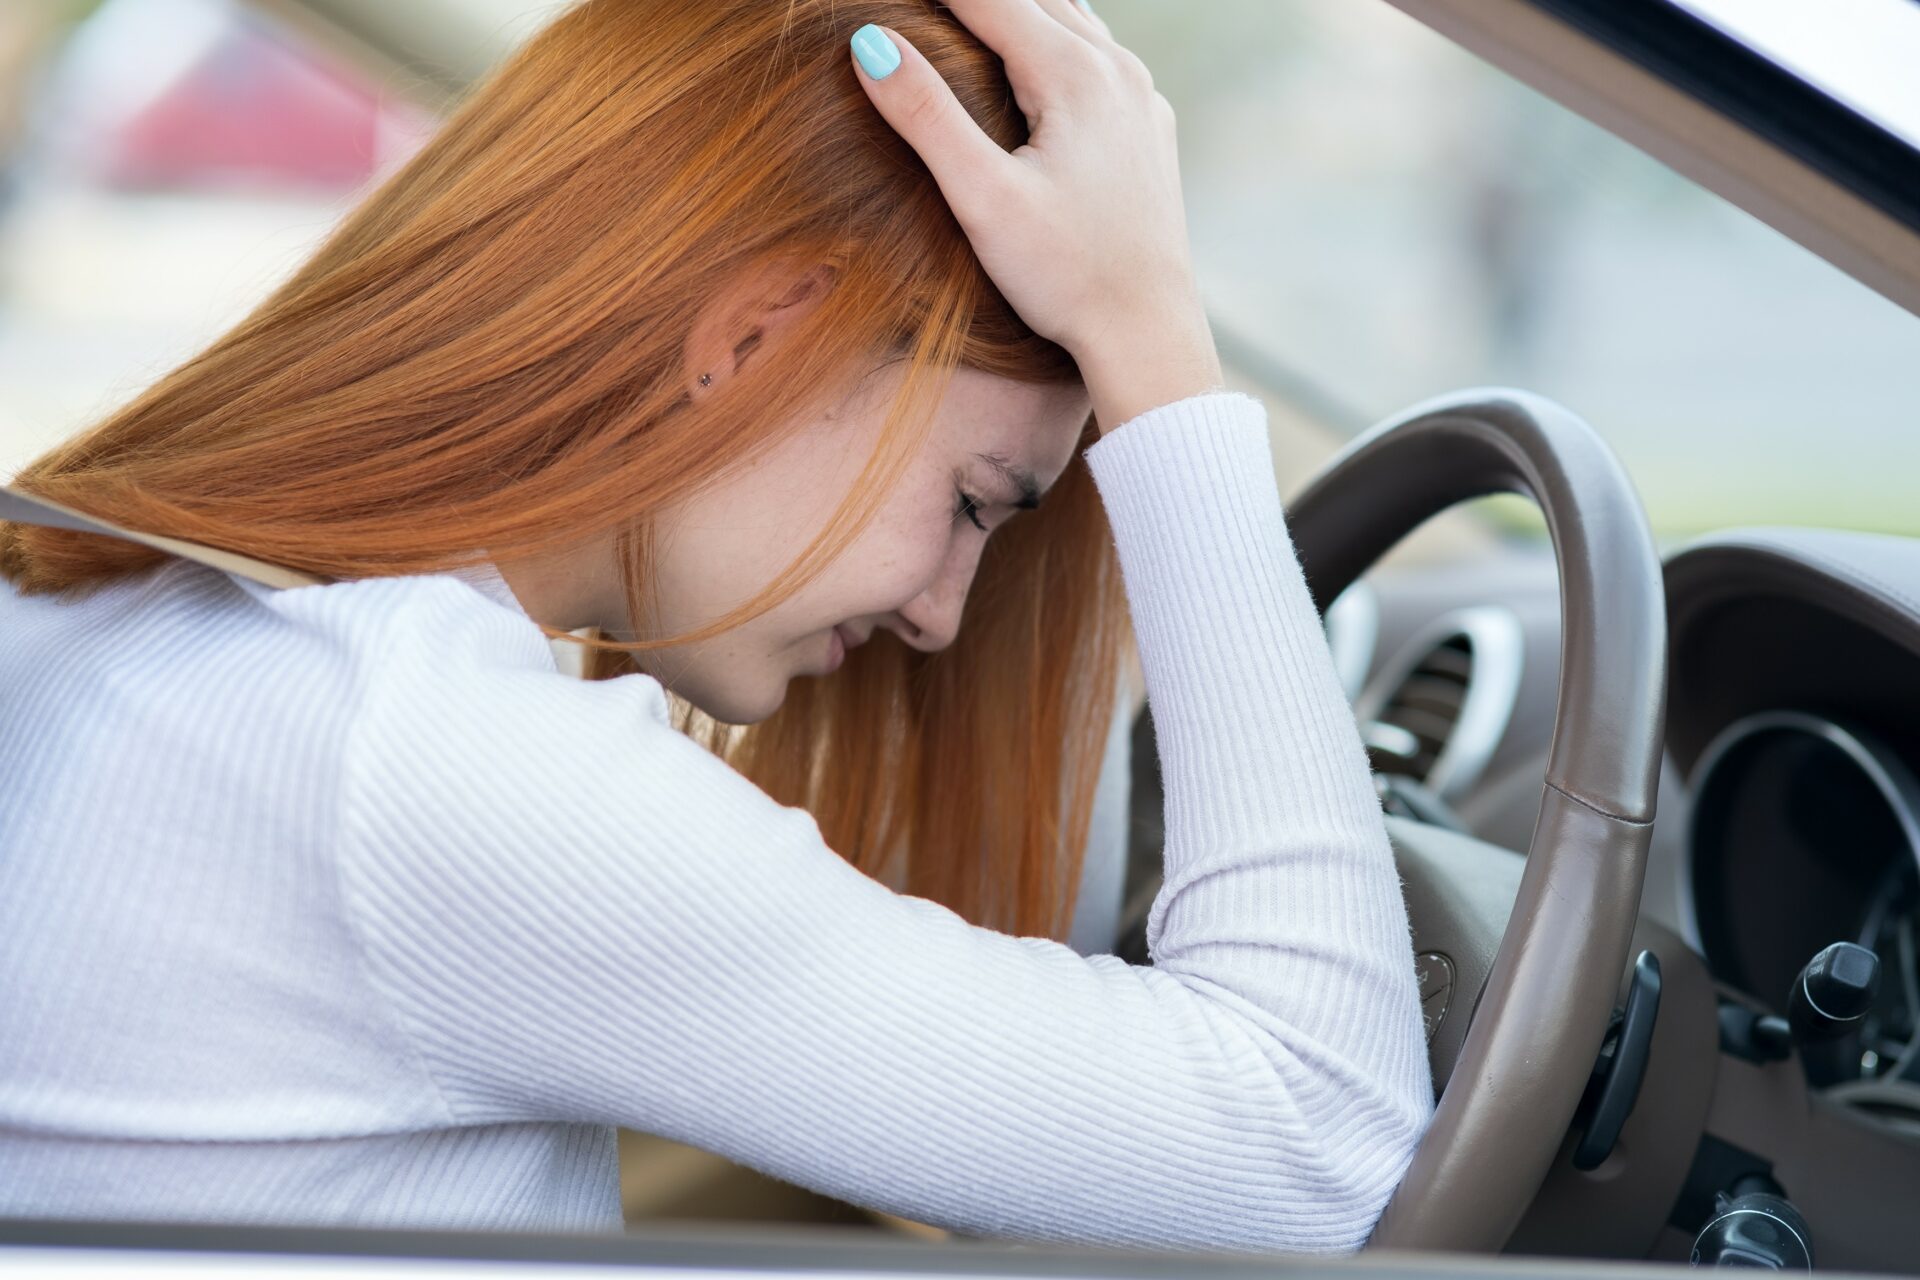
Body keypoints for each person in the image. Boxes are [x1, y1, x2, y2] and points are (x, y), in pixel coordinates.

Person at [0, 0, 1432, 1254]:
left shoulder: (112, 599)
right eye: (977, 503)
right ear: (758, 337)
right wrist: (1153, 339)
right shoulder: (439, 771)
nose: (945, 617)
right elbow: (1321, 1144)